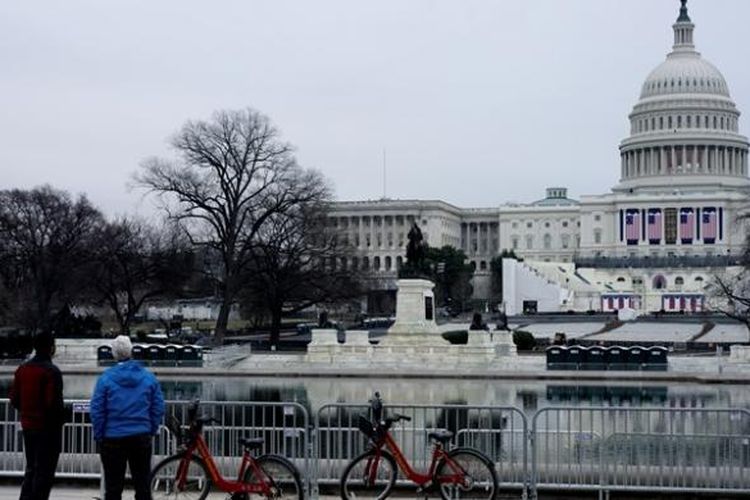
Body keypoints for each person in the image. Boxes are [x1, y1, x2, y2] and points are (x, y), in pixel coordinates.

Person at [91, 336, 165, 500]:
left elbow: (97, 410)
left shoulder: (105, 379)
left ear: (114, 355)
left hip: (112, 437)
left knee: (113, 488)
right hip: (140, 435)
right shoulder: (148, 377)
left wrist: (99, 434)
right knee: (142, 485)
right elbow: (158, 406)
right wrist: (151, 428)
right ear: (131, 351)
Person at [10, 330, 64, 500]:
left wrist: (27, 412)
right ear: (51, 348)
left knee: (31, 469)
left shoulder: (22, 370)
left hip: (28, 426)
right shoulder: (51, 372)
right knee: (44, 473)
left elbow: (14, 399)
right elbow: (53, 404)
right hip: (47, 430)